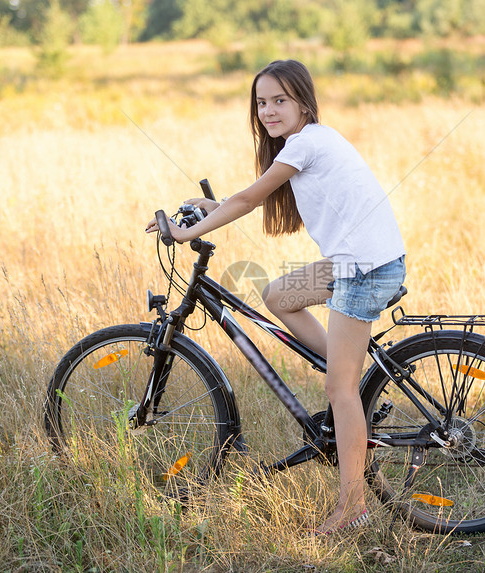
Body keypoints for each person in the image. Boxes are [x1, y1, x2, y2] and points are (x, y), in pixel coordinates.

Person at [146, 59, 406, 535]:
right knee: (280, 294)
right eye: (261, 102)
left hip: (364, 268)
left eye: (279, 100)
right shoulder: (307, 143)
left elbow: (248, 200)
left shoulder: (305, 144)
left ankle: (354, 508)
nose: (268, 110)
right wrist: (210, 207)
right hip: (363, 259)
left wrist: (190, 234)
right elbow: (252, 196)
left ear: (303, 102)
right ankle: (355, 374)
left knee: (339, 392)